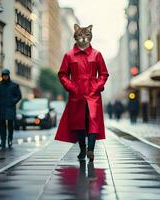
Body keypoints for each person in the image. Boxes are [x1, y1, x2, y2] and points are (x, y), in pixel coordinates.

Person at [55, 24, 109, 163]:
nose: (84, 39)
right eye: (80, 35)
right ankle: (82, 149)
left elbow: (103, 74)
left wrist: (97, 87)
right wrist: (71, 87)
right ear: (76, 36)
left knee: (93, 122)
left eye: (86, 36)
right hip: (76, 94)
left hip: (93, 94)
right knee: (79, 123)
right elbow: (62, 74)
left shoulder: (97, 54)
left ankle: (90, 150)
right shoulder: (69, 55)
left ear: (90, 36)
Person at [0, 69, 22, 148]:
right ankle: (3, 141)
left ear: (8, 76)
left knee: (10, 124)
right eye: (4, 76)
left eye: (6, 76)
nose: (5, 77)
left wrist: (13, 101)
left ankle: (10, 140)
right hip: (1, 108)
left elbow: (19, 96)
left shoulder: (14, 85)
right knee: (2, 125)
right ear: (2, 76)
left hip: (10, 108)